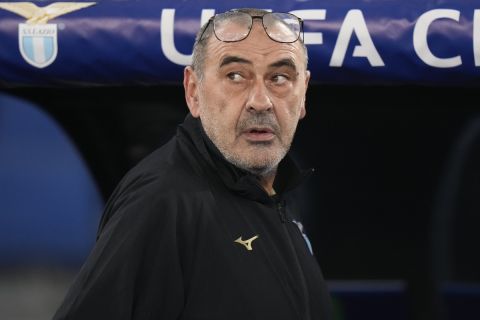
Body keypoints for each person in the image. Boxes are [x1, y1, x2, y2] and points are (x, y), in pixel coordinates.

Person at [53, 8, 332, 320]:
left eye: (279, 77)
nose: (260, 100)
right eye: (235, 76)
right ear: (193, 91)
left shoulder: (275, 193)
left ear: (303, 93)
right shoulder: (163, 201)